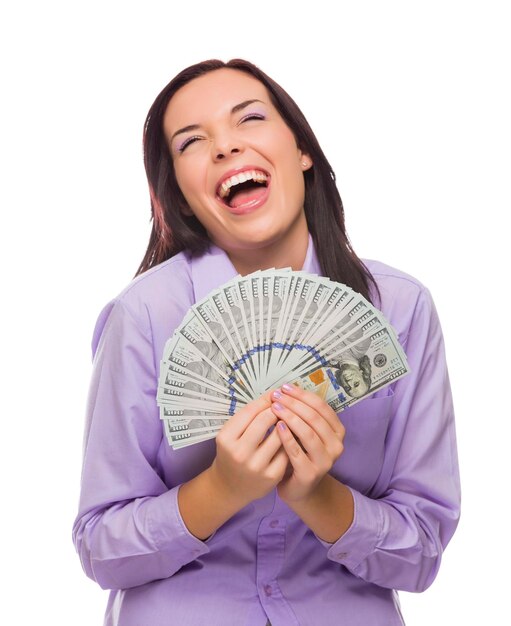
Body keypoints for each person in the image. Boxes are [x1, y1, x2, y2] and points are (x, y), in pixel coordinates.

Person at [72, 59, 460, 626]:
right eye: (191, 142)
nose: (225, 148)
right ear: (179, 194)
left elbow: (422, 552)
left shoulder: (400, 309)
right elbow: (100, 546)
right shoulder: (145, 315)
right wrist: (221, 488)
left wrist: (319, 497)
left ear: (302, 150)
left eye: (248, 119)